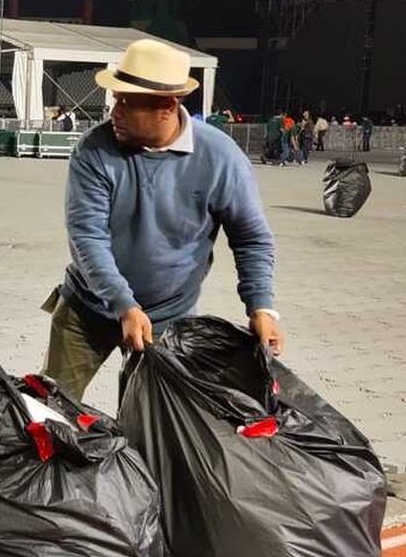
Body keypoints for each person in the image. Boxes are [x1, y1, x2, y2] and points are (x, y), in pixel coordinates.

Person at [43, 38, 282, 400]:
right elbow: (87, 237)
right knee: (50, 410)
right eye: (114, 99)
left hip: (169, 318)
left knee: (156, 422)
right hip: (87, 309)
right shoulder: (94, 151)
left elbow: (251, 238)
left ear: (167, 106)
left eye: (127, 102)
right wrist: (124, 304)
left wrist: (261, 307)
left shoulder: (220, 157)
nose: (114, 112)